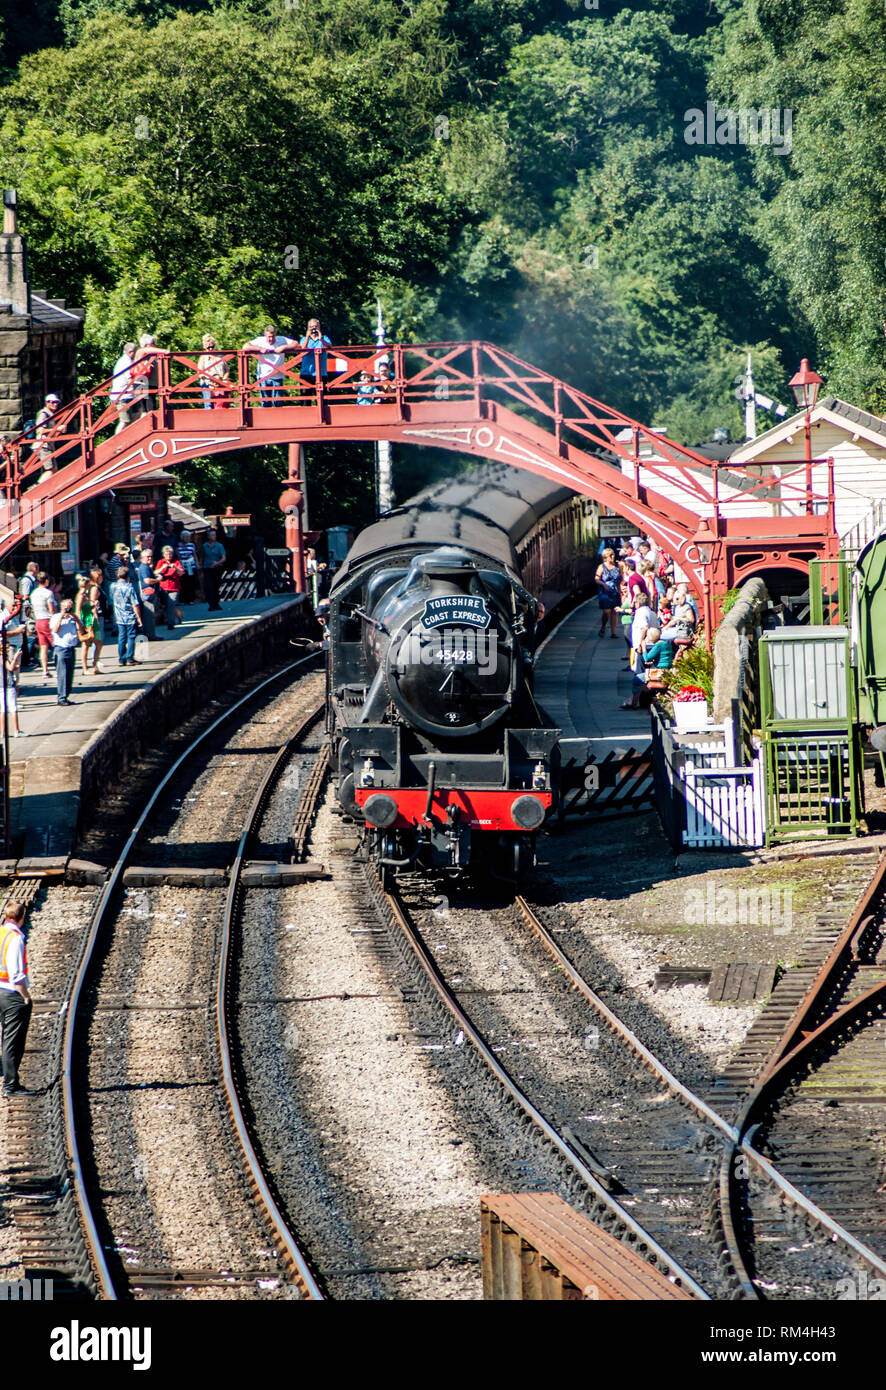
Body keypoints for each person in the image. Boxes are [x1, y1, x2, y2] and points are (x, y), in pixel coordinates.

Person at [0, 902, 34, 1098]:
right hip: (11, 994)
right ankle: (11, 1086)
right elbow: (16, 974)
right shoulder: (15, 939)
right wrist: (26, 996)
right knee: (12, 1041)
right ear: (22, 918)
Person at [243, 324, 297, 406]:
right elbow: (245, 347)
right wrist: (259, 349)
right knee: (265, 403)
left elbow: (296, 343)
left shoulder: (281, 339)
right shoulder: (260, 340)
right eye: (269, 337)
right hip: (263, 376)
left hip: (278, 376)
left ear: (275, 334)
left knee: (278, 403)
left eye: (273, 336)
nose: (271, 339)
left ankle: (277, 418)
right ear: (265, 335)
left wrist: (284, 347)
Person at [50, 598, 86, 704]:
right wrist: (61, 616)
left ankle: (66, 696)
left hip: (71, 649)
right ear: (61, 608)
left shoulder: (73, 618)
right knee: (62, 674)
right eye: (66, 607)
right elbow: (55, 630)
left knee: (69, 674)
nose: (68, 610)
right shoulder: (56, 617)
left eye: (70, 607)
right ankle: (61, 698)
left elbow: (82, 630)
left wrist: (75, 618)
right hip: (61, 649)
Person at [109, 566, 142, 665]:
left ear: (117, 575)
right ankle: (129, 658)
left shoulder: (112, 586)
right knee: (131, 636)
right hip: (129, 615)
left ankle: (121, 658)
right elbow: (135, 604)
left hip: (118, 615)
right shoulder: (129, 587)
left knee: (121, 636)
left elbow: (111, 598)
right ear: (128, 576)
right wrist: (139, 618)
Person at [29, 571, 57, 681]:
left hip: (38, 620)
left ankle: (45, 670)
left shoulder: (34, 593)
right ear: (46, 581)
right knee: (56, 644)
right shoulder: (48, 593)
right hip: (47, 620)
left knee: (43, 647)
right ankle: (57, 667)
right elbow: (51, 609)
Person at [197, 334, 231, 408]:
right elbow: (199, 373)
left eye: (212, 347)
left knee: (221, 405)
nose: (210, 349)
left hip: (220, 384)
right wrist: (208, 381)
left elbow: (227, 370)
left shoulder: (220, 356)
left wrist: (224, 379)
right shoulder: (203, 358)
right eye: (208, 347)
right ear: (204, 347)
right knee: (209, 405)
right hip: (208, 384)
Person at [298, 318, 332, 389]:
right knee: (305, 398)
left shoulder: (324, 338)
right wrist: (307, 337)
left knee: (322, 398)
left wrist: (321, 339)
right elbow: (302, 349)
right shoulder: (304, 339)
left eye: (316, 327)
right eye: (311, 327)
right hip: (306, 373)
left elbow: (329, 347)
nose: (314, 329)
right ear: (308, 328)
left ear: (319, 327)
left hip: (321, 373)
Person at [156, 546, 184, 629]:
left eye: (170, 554)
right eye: (167, 554)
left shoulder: (176, 562)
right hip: (163, 587)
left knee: (171, 604)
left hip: (174, 587)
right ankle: (179, 616)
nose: (169, 556)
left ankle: (170, 623)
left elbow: (181, 573)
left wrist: (175, 567)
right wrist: (163, 567)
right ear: (164, 554)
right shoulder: (161, 562)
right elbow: (155, 572)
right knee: (167, 605)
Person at [110, 342, 137, 432]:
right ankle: (117, 441)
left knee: (138, 413)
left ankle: (127, 436)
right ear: (130, 352)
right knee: (124, 421)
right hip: (122, 396)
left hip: (124, 395)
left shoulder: (122, 361)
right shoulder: (126, 362)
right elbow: (130, 379)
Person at [17, 561, 38, 670]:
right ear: (34, 568)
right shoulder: (27, 580)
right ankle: (28, 659)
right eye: (37, 567)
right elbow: (25, 596)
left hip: (30, 611)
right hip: (28, 611)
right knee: (30, 634)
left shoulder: (32, 580)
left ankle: (30, 657)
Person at [595, 547, 621, 638]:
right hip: (605, 592)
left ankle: (613, 633)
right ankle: (603, 626)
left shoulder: (618, 566)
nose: (612, 557)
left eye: (613, 554)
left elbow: (622, 577)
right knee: (607, 611)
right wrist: (603, 584)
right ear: (606, 557)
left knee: (614, 611)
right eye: (610, 555)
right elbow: (597, 579)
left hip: (616, 592)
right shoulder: (601, 567)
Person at [134, 550, 159, 640]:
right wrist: (158, 580)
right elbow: (147, 580)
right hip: (147, 595)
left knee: (150, 616)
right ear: (142, 558)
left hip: (148, 594)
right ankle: (151, 636)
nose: (150, 558)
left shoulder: (146, 567)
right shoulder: (144, 567)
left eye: (151, 556)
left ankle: (151, 634)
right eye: (148, 556)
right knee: (149, 616)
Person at [86, 566, 107, 672]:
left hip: (99, 615)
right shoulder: (94, 588)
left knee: (98, 640)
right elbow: (92, 603)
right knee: (98, 640)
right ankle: (95, 662)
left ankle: (96, 661)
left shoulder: (97, 586)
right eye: (100, 575)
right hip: (97, 616)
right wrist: (96, 618)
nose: (102, 577)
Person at [201, 527, 226, 611]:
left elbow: (223, 558)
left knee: (216, 586)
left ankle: (216, 603)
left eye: (214, 535)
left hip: (217, 568)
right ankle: (211, 604)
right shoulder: (204, 546)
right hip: (207, 568)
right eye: (212, 535)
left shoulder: (219, 546)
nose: (213, 537)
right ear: (208, 537)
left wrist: (217, 563)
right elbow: (202, 556)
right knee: (209, 586)